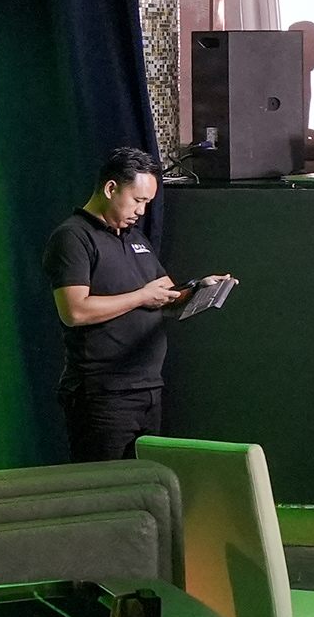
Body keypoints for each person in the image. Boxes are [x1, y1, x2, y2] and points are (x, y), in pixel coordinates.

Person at [44, 148, 225, 461]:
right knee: (107, 485)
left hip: (148, 390)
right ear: (110, 188)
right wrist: (142, 296)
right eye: (137, 200)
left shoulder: (135, 238)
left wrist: (199, 289)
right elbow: (75, 311)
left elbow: (166, 297)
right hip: (102, 396)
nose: (142, 211)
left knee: (145, 481)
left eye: (147, 203)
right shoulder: (73, 238)